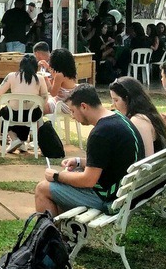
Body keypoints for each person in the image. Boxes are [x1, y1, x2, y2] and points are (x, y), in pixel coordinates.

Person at [34, 85, 142, 216]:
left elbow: (87, 180)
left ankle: (51, 236)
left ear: (84, 106)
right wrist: (79, 162)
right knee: (71, 176)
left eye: (73, 111)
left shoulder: (100, 133)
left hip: (109, 199)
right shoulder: (119, 119)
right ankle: (63, 234)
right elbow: (109, 160)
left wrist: (56, 176)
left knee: (42, 188)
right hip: (126, 192)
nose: (72, 116)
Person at [0, 54, 49, 154]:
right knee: (30, 112)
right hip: (32, 115)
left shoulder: (12, 76)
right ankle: (22, 142)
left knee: (4, 112)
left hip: (13, 113)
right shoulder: (39, 78)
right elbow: (45, 97)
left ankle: (15, 138)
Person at [108, 76, 166, 157]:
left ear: (127, 99)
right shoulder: (149, 115)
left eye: (116, 100)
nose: (113, 105)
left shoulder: (139, 121)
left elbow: (147, 159)